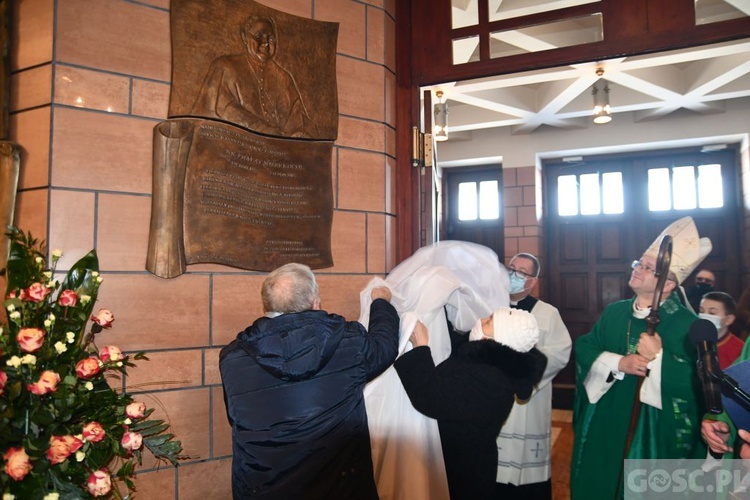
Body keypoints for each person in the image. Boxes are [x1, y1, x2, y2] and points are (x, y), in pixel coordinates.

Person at [219, 263, 399, 499]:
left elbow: (236, 417)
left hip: (263, 489)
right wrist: (381, 302)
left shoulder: (232, 359)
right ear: (316, 302)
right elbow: (384, 346)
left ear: (267, 306)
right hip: (339, 488)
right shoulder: (349, 343)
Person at [570, 216, 711, 500]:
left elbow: (700, 385)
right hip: (607, 419)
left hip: (652, 431)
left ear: (669, 284)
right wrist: (618, 363)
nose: (638, 270)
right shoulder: (615, 312)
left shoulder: (688, 325)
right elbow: (586, 347)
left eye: (649, 268)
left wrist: (658, 359)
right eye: (639, 263)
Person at [395, 308, 547, 500]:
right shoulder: (486, 361)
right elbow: (458, 352)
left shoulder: (492, 379)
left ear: (497, 340)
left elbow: (432, 398)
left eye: (488, 323)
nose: (481, 320)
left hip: (464, 469)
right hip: (460, 461)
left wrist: (420, 347)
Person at [494, 252, 571, 499]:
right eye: (511, 268)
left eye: (522, 272)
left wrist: (524, 372)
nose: (514, 275)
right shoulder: (489, 305)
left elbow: (560, 352)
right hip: (493, 396)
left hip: (529, 400)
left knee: (528, 482)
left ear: (532, 281)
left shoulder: (548, 313)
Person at [192, 15, 317, 138]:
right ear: (245, 37)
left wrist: (299, 133)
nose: (266, 43)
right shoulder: (225, 67)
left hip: (276, 150)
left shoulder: (284, 78)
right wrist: (261, 128)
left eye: (271, 38)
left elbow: (298, 117)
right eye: (259, 36)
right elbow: (224, 107)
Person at [699, 291, 743, 369]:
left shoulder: (740, 351)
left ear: (729, 319)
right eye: (701, 311)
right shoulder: (690, 342)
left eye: (712, 313)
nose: (704, 316)